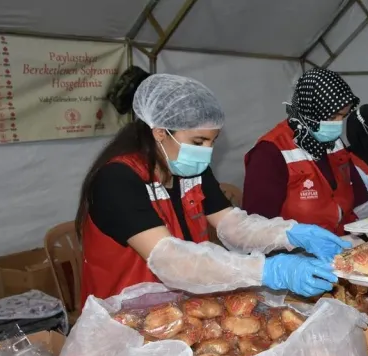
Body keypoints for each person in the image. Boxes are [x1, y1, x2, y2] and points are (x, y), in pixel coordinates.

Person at [76, 74, 350, 305]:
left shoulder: (189, 169)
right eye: (198, 140)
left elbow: (233, 227)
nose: (206, 152)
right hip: (124, 317)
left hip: (184, 307)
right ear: (160, 131)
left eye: (212, 141)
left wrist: (290, 234)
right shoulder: (117, 180)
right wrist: (267, 271)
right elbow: (171, 259)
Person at [243, 69, 368, 234]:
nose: (338, 125)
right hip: (293, 263)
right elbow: (257, 231)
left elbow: (362, 206)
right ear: (310, 111)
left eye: (343, 116)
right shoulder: (270, 153)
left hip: (339, 250)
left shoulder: (333, 143)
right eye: (332, 117)